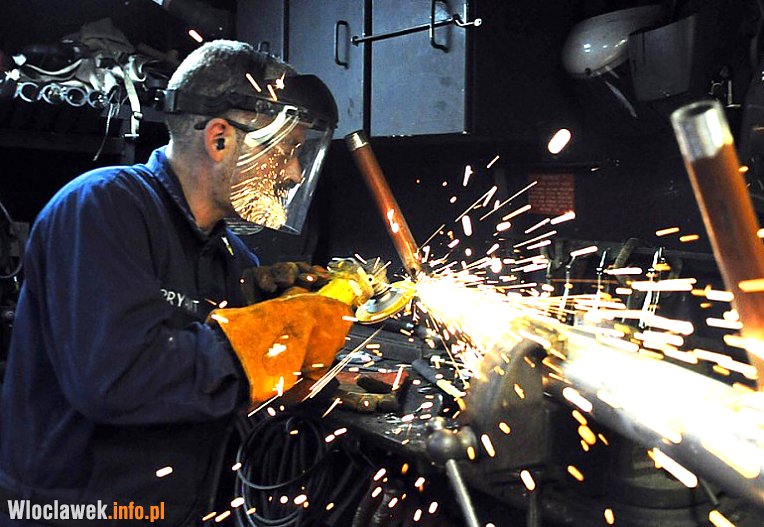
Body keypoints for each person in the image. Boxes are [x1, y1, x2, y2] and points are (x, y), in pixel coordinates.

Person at [0, 40, 351, 526]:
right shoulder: (101, 207)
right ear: (220, 139)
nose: (293, 173)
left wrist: (274, 306)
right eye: (287, 150)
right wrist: (257, 341)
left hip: (177, 507)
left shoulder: (229, 252)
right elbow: (114, 379)